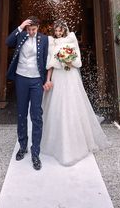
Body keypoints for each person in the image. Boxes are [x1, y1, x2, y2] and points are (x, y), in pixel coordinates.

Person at [40, 21, 109, 165]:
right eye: (56, 31)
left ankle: (77, 139)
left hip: (70, 75)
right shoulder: (52, 41)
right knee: (58, 104)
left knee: (72, 102)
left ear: (64, 30)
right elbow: (50, 62)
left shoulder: (71, 38)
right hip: (58, 76)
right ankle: (57, 141)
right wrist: (49, 78)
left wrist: (69, 61)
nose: (58, 33)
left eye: (60, 31)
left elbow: (78, 61)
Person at [6, 16, 50, 170]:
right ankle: (22, 146)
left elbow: (47, 59)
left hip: (37, 80)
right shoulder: (21, 35)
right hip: (21, 78)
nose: (31, 32)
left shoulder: (44, 39)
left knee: (36, 115)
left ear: (38, 28)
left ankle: (35, 152)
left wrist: (47, 80)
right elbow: (8, 42)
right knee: (21, 113)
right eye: (29, 29)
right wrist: (20, 26)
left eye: (34, 29)